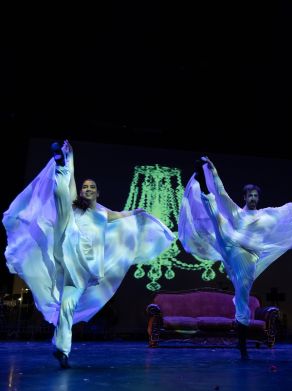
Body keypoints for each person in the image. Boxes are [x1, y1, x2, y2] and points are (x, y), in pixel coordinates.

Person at [2, 140, 175, 368]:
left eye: (92, 187)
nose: (88, 189)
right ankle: (62, 165)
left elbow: (120, 216)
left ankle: (61, 348)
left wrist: (136, 212)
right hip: (67, 253)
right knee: (62, 196)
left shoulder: (103, 214)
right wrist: (70, 158)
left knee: (68, 306)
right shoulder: (75, 206)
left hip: (83, 270)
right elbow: (71, 188)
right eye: (85, 187)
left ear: (97, 192)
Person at [178, 156, 292, 359]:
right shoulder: (237, 213)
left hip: (249, 257)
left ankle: (241, 343)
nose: (252, 198)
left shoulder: (266, 214)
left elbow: (285, 210)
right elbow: (222, 193)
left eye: (255, 196)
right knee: (218, 218)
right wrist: (212, 170)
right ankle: (203, 185)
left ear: (257, 198)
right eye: (249, 195)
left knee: (242, 293)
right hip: (232, 246)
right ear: (244, 197)